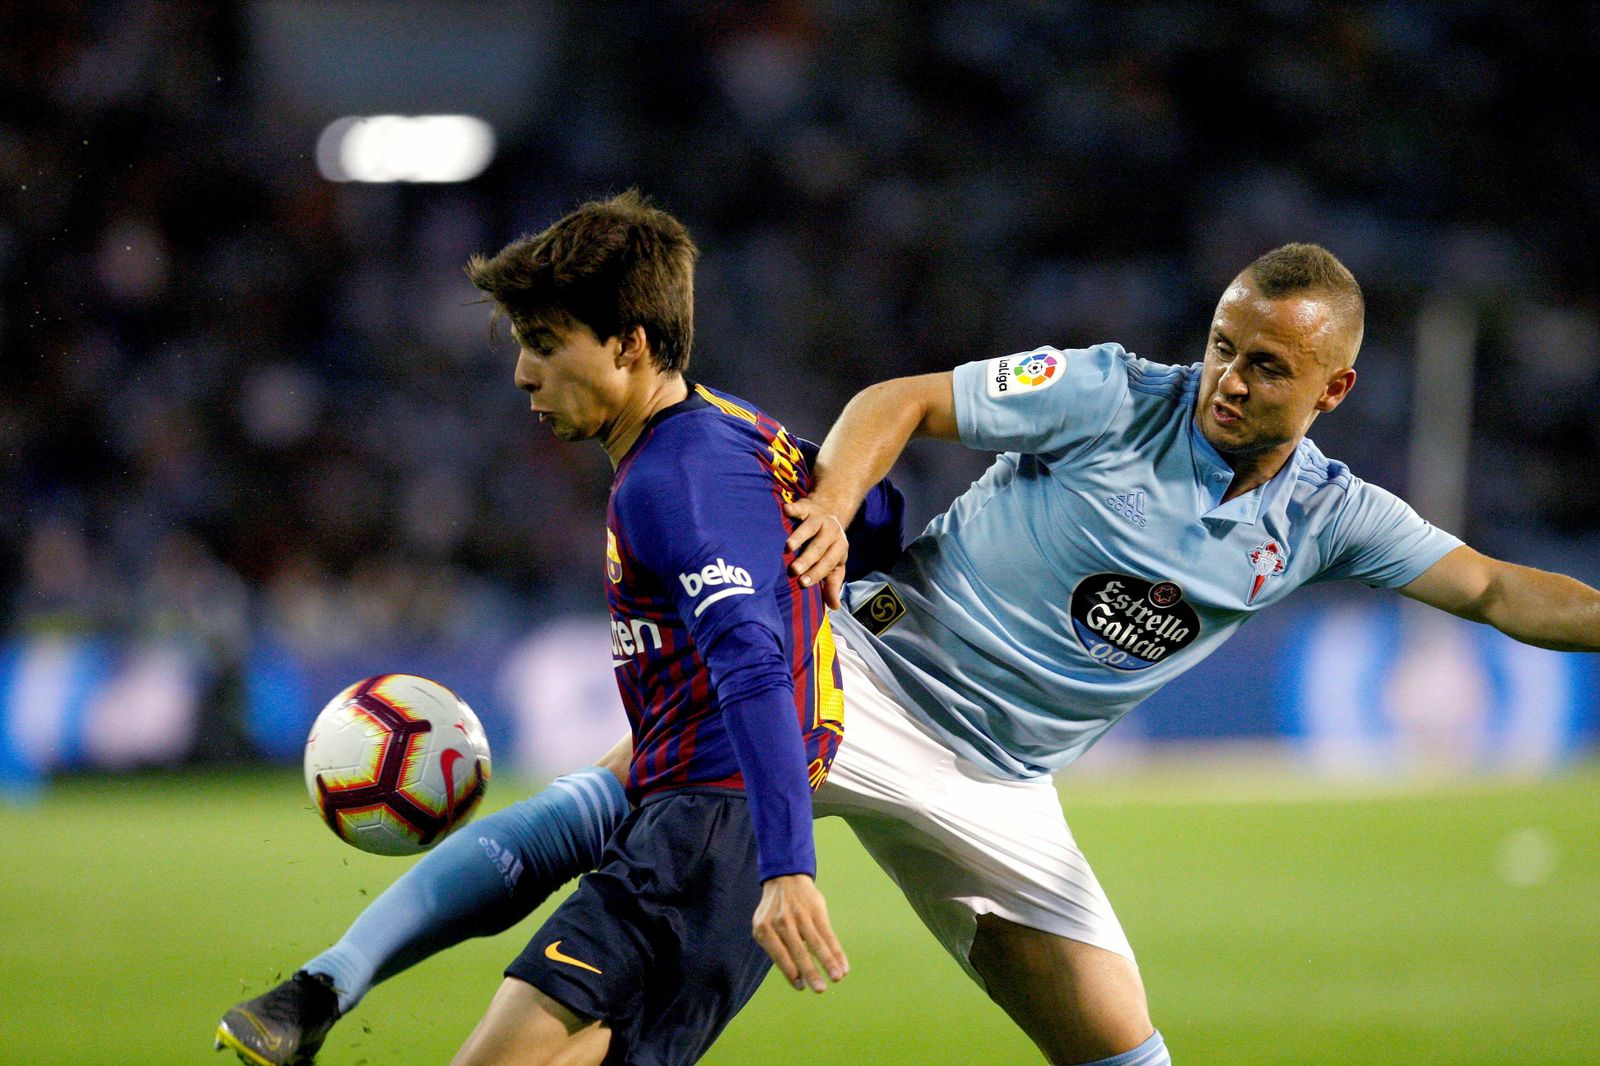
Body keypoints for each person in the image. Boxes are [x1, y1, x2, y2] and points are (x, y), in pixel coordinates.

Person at [222, 242, 1600, 1066]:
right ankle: (333, 972)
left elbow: (1494, 586)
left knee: (1122, 1044)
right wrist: (826, 504)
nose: (1228, 376)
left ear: (1333, 389)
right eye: (1225, 344)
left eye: (1265, 368)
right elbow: (903, 400)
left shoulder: (1329, 516)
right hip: (876, 673)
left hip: (1006, 784)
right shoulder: (1118, 392)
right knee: (624, 790)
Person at [216, 191, 875, 1066]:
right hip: (704, 830)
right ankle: (332, 980)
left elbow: (752, 664)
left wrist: (790, 864)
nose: (523, 373)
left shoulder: (673, 481)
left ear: (629, 346)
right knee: (582, 808)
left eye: (545, 344)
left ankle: (333, 979)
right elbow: (879, 539)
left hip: (704, 839)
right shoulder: (737, 433)